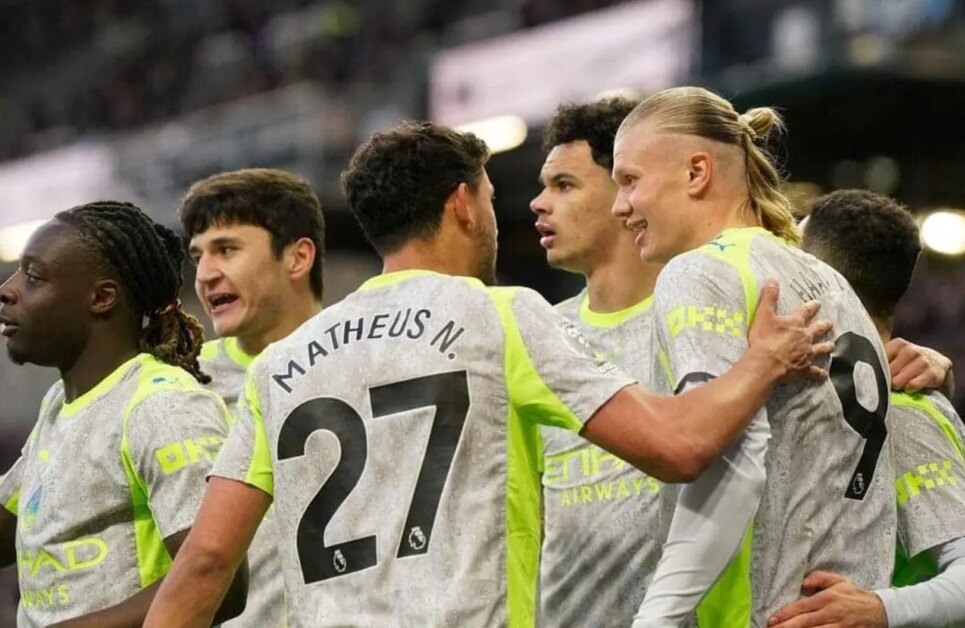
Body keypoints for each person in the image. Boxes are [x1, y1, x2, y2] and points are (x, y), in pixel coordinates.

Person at [145, 120, 833, 627]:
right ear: (462, 205)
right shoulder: (499, 317)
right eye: (490, 197)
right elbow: (678, 447)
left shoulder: (281, 365)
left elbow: (206, 561)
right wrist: (762, 362)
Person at [612, 87, 896, 626]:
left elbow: (729, 463)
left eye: (630, 180)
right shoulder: (833, 283)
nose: (619, 206)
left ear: (696, 172)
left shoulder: (701, 272)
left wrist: (657, 619)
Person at [767, 190, 965, 627]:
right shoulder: (823, 394)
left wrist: (880, 609)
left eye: (792, 259)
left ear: (819, 280)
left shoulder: (901, 412)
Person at [0, 202, 244, 627]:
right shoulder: (61, 403)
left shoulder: (161, 405)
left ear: (101, 298)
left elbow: (218, 582)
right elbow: (14, 527)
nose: (8, 289)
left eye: (34, 276)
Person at [530, 96, 675, 626]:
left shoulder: (701, 319)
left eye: (564, 185)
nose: (538, 203)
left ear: (625, 188)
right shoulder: (538, 335)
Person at [180, 168, 326, 628]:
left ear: (298, 257)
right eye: (198, 256)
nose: (205, 275)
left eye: (226, 249)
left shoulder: (365, 358)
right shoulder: (180, 386)